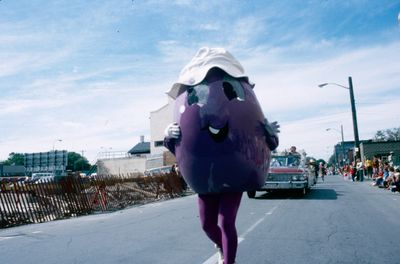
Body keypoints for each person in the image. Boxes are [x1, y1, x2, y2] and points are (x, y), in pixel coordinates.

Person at [164, 47, 279, 264]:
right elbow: (183, 147)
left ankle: (229, 261)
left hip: (233, 176)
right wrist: (168, 138)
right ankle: (221, 247)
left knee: (226, 222)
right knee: (207, 224)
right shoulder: (191, 99)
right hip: (204, 177)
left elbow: (266, 144)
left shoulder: (241, 95)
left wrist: (270, 135)